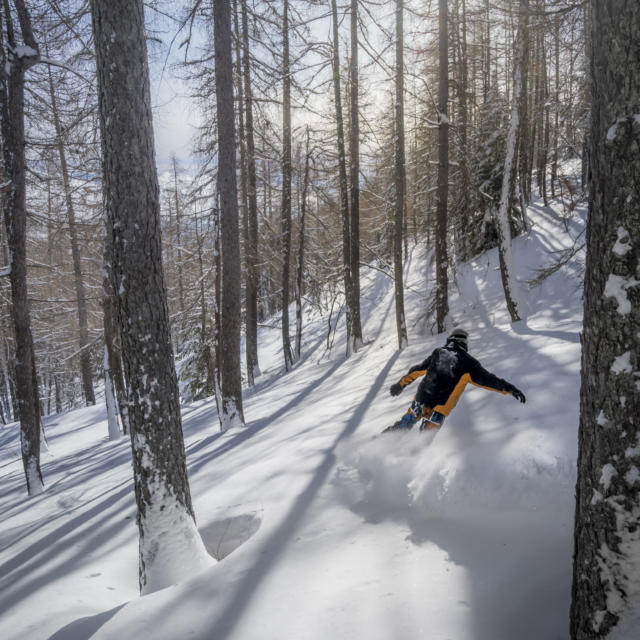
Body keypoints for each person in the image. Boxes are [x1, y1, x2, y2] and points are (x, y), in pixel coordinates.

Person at [384, 328, 526, 433]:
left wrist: (400, 385)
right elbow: (489, 381)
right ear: (464, 343)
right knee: (422, 441)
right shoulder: (468, 363)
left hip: (420, 399)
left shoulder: (438, 352)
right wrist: (511, 389)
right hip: (439, 408)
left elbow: (418, 369)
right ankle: (406, 465)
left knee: (403, 426)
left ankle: (382, 444)